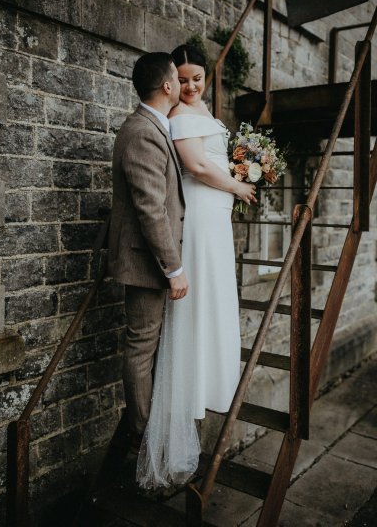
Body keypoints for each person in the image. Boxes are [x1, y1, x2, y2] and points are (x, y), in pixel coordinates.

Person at [136, 45, 257, 488]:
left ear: (208, 77)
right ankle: (186, 394)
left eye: (197, 78)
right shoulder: (182, 118)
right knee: (199, 295)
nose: (190, 86)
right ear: (172, 80)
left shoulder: (202, 110)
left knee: (217, 293)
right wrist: (239, 186)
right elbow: (196, 165)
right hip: (203, 217)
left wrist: (246, 170)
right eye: (182, 79)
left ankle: (211, 379)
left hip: (215, 217)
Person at [108, 52, 189, 451]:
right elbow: (150, 208)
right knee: (141, 348)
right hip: (145, 263)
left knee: (148, 345)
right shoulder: (142, 130)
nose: (180, 81)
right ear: (168, 86)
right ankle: (143, 436)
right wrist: (174, 269)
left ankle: (147, 423)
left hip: (149, 260)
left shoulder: (155, 126)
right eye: (177, 75)